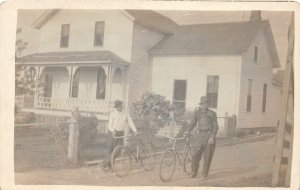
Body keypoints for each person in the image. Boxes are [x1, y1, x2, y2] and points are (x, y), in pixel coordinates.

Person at [186, 96, 219, 178]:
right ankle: (194, 172)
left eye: (205, 103)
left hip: (209, 136)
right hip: (199, 136)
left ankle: (204, 175)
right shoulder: (197, 113)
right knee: (195, 155)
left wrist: (212, 137)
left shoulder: (212, 114)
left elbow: (215, 126)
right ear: (200, 104)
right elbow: (193, 123)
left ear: (207, 104)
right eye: (202, 104)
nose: (204, 105)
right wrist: (188, 131)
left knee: (207, 157)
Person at [102, 100, 138, 171]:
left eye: (119, 106)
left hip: (120, 133)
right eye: (116, 107)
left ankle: (104, 163)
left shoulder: (125, 113)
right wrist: (113, 130)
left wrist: (135, 130)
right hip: (112, 133)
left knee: (117, 151)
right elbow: (109, 125)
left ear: (121, 105)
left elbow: (130, 122)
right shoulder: (113, 114)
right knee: (110, 150)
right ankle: (110, 167)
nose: (118, 108)